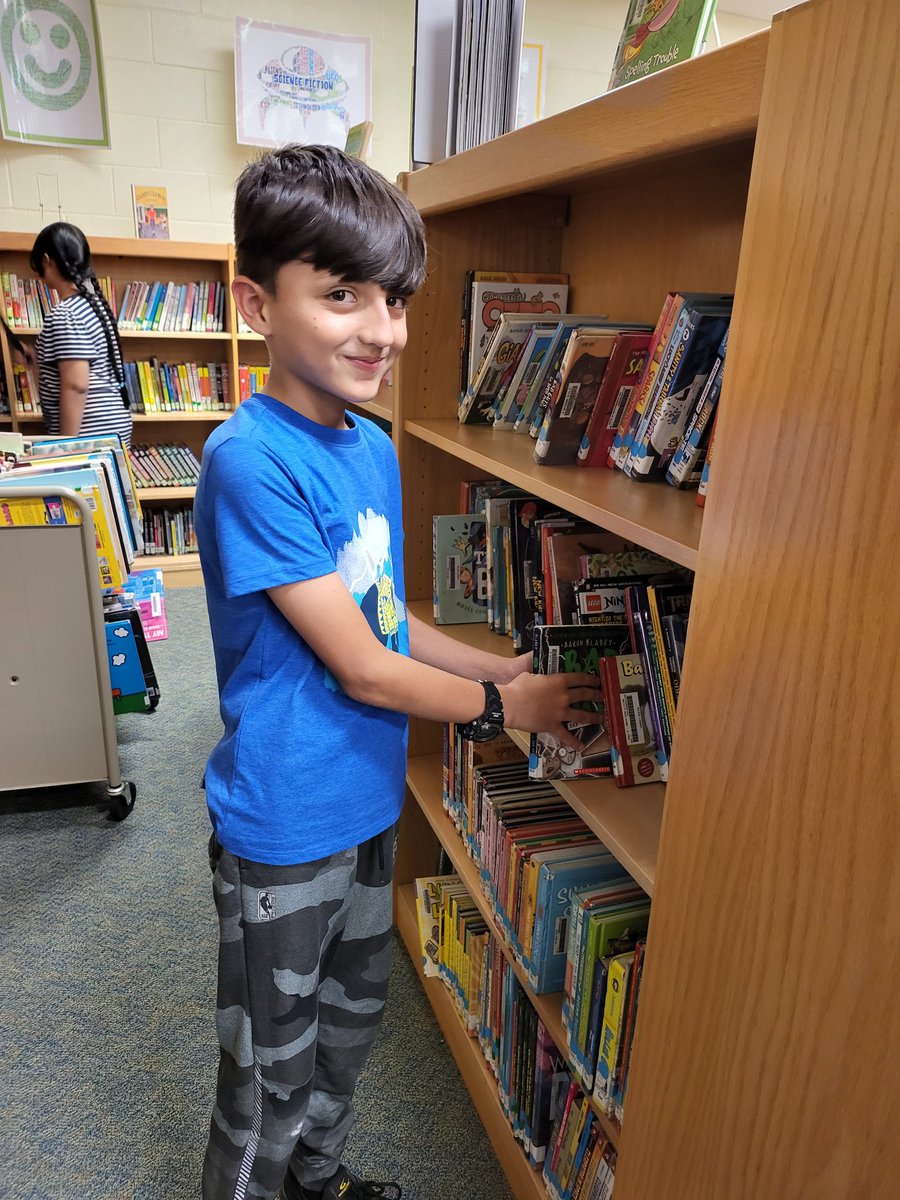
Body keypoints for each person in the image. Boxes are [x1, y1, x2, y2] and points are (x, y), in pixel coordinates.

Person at [193, 144, 600, 1200]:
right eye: (341, 294)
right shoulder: (251, 460)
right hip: (284, 829)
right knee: (267, 1078)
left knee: (347, 1038)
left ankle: (318, 1184)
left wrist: (489, 662)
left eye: (396, 298)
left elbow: (389, 622)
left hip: (368, 809)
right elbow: (366, 673)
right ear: (258, 301)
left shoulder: (370, 446)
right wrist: (502, 706)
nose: (382, 328)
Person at [29, 222, 132, 446]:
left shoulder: (66, 314)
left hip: (89, 434)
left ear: (47, 260)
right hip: (109, 427)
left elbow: (76, 385)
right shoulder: (94, 307)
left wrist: (66, 445)